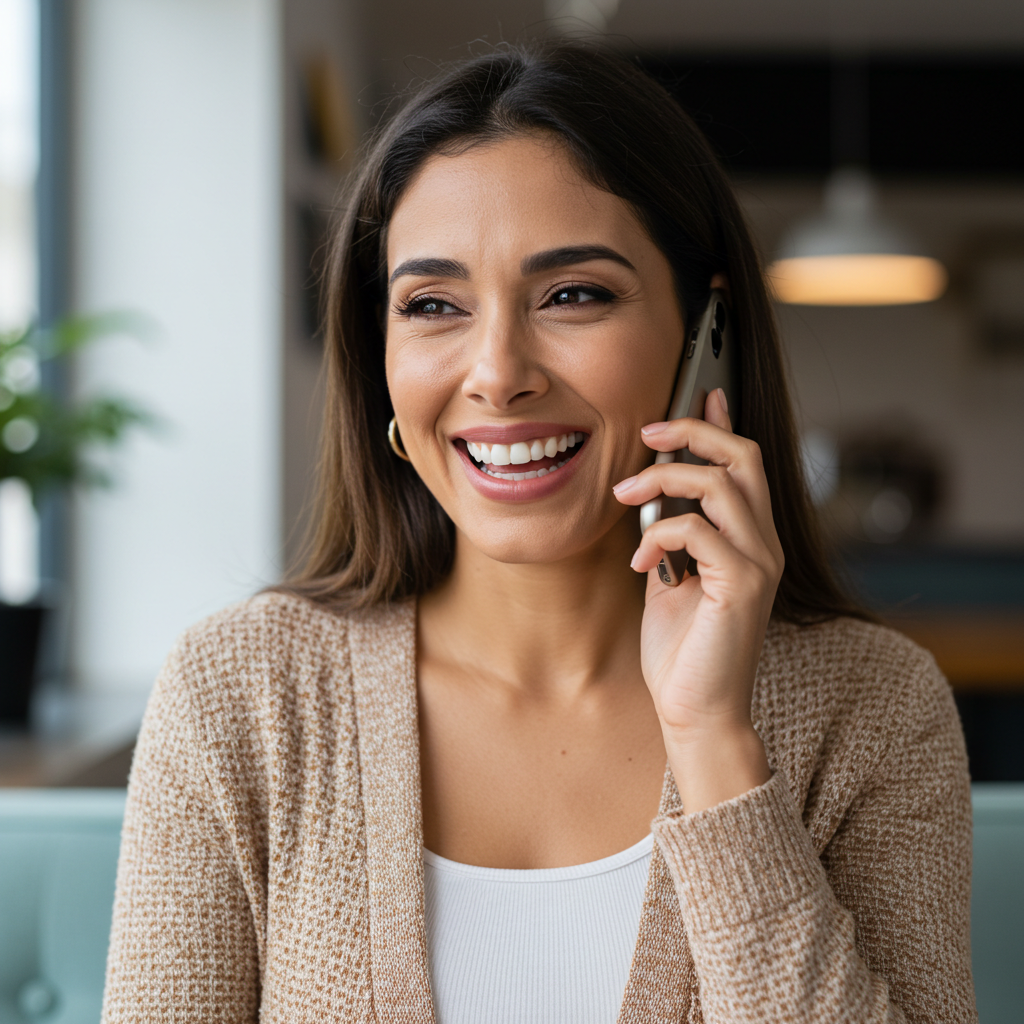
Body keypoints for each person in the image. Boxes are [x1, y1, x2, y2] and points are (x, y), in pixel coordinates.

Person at [101, 44, 975, 1024]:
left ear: (703, 333)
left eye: (572, 295)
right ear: (377, 354)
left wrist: (715, 745)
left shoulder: (875, 708)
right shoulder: (240, 694)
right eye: (433, 306)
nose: (496, 371)